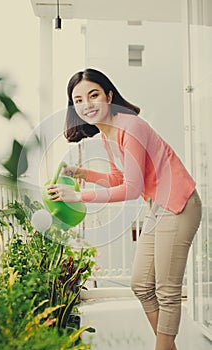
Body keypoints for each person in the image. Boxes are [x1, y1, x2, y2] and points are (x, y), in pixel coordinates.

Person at [47, 68, 202, 350]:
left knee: (166, 292)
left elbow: (131, 189)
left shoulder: (131, 127)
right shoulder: (109, 135)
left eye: (93, 95)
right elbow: (122, 179)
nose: (87, 104)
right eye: (78, 100)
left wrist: (78, 194)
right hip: (158, 206)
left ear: (109, 95)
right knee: (141, 285)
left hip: (179, 204)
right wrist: (84, 173)